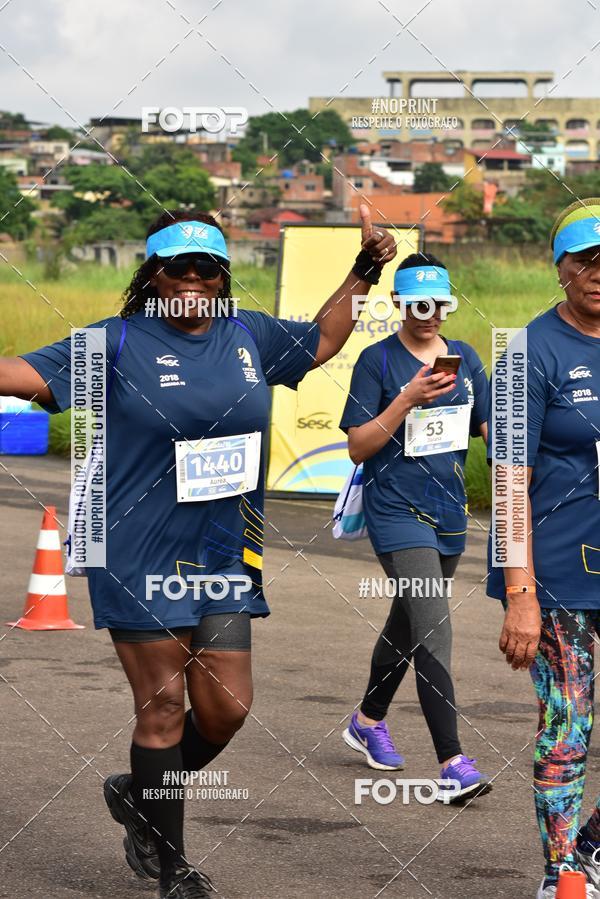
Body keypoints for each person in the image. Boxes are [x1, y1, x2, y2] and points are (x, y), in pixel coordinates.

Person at [0, 205, 396, 898]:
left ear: (221, 275)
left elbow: (326, 338)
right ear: (151, 275)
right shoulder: (116, 342)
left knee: (226, 709)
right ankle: (170, 861)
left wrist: (365, 271)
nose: (190, 278)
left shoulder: (249, 333)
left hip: (222, 553)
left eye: (204, 267)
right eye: (175, 266)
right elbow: (20, 374)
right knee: (161, 708)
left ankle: (137, 791)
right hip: (137, 549)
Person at [339, 252, 491, 803]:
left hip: (450, 517)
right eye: (415, 303)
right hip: (397, 514)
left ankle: (366, 719)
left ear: (448, 304)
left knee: (406, 625)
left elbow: (490, 435)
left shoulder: (467, 359)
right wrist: (406, 399)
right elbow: (359, 445)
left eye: (437, 303)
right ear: (399, 303)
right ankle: (453, 763)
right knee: (433, 628)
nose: (427, 313)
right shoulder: (377, 362)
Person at [487, 199, 600, 899]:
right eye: (586, 260)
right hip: (559, 574)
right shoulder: (530, 353)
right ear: (559, 268)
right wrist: (520, 592)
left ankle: (589, 846)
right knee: (568, 725)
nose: (599, 273)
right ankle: (562, 875)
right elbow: (506, 484)